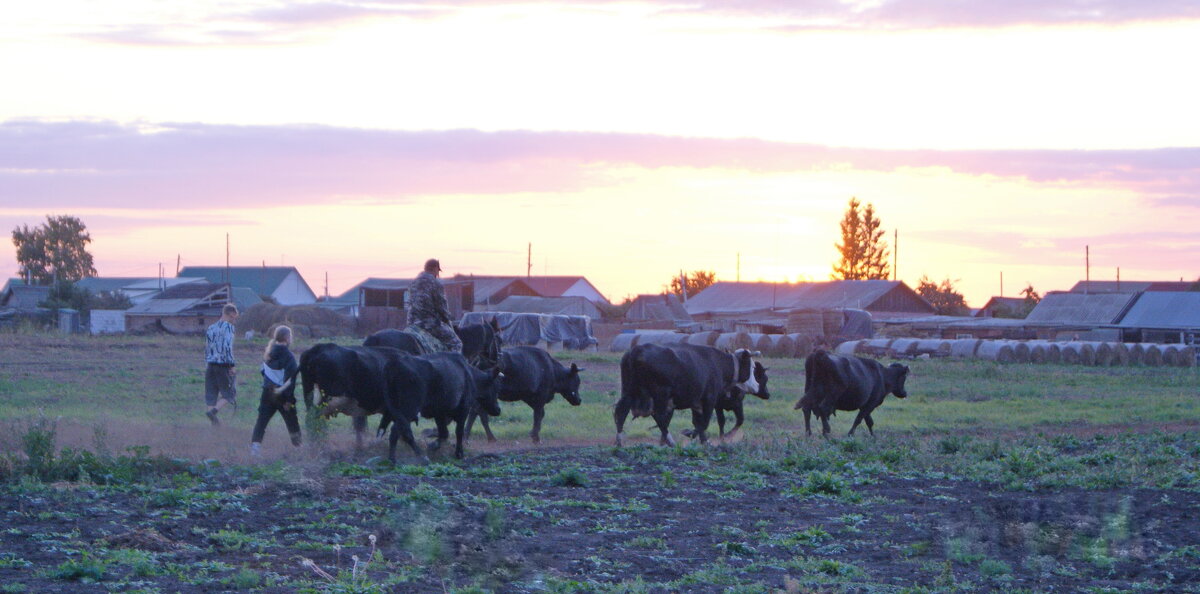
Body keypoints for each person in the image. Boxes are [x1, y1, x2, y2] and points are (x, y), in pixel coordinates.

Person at [250, 325, 302, 456]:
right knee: (292, 422)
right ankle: (299, 449)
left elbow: (263, 371)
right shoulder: (289, 356)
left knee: (261, 421)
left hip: (267, 393)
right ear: (287, 338)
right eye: (290, 336)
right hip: (283, 395)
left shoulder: (268, 353)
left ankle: (254, 450)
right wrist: (289, 399)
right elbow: (291, 379)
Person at [406, 258, 463, 352]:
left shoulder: (413, 283)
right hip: (428, 323)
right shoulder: (435, 283)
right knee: (456, 344)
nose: (438, 273)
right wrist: (448, 321)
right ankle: (451, 362)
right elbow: (442, 307)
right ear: (435, 268)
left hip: (411, 323)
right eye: (438, 271)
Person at [203, 303, 239, 426]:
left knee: (211, 394)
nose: (234, 320)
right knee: (230, 394)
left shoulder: (211, 328)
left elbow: (207, 348)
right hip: (222, 365)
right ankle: (213, 412)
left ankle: (214, 425)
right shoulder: (229, 327)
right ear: (230, 314)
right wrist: (232, 365)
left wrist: (207, 363)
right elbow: (227, 347)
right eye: (234, 317)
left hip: (210, 365)